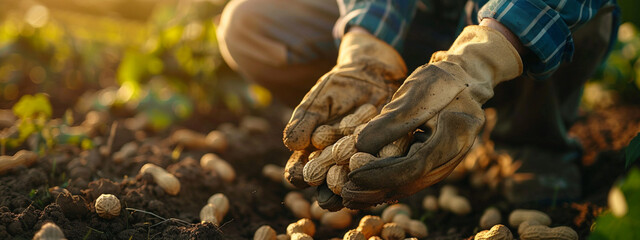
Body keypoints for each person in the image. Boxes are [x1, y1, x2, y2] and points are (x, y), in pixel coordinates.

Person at [216, 0, 619, 210]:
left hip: (521, 30)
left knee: (589, 11)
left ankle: (530, 140)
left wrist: (480, 60)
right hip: (426, 20)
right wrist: (367, 46)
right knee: (250, 24)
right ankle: (393, 120)